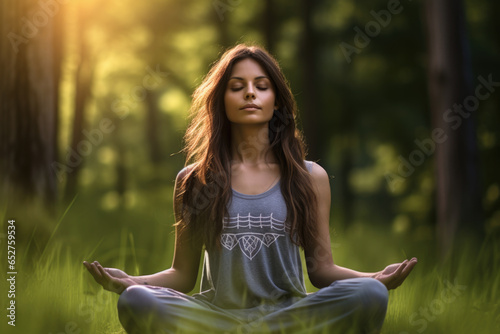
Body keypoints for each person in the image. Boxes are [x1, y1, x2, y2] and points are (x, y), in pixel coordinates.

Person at [83, 44, 417, 334]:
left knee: (369, 295)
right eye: (237, 86)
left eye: (261, 85)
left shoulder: (308, 176)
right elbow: (182, 275)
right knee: (136, 301)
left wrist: (374, 277)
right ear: (221, 100)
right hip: (217, 318)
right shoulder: (193, 179)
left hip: (287, 315)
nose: (250, 94)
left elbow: (321, 269)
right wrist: (131, 282)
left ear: (276, 100)